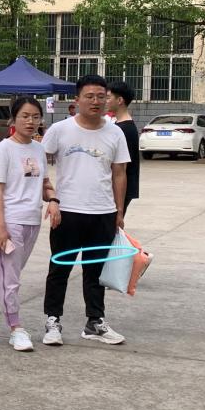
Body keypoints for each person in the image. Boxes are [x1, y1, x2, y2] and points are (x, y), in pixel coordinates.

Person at [42, 74, 130, 347]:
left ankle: (94, 321)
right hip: (67, 211)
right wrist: (51, 199)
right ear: (77, 99)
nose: (95, 101)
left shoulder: (115, 132)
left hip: (102, 213)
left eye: (101, 96)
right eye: (89, 96)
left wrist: (119, 211)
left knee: (95, 272)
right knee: (60, 269)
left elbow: (120, 173)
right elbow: (39, 164)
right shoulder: (60, 130)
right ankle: (53, 321)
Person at [0, 96, 56, 352]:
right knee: (11, 280)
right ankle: (16, 328)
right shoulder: (4, 149)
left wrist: (54, 199)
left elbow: (44, 184)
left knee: (3, 275)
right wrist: (1, 227)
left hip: (32, 222)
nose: (31, 121)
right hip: (9, 222)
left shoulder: (38, 149)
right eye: (25, 116)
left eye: (35, 117)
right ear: (13, 119)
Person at [107, 81, 140, 216]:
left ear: (120, 100)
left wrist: (118, 204)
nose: (105, 101)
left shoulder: (125, 129)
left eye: (108, 97)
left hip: (119, 192)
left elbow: (122, 168)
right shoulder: (119, 125)